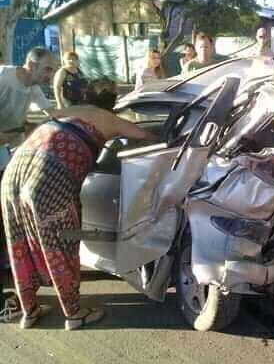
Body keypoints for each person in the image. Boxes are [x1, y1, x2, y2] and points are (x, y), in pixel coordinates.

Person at [1, 91, 158, 331]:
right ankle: (74, 314)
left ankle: (29, 311)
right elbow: (148, 137)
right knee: (60, 247)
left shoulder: (64, 113)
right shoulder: (108, 119)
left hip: (12, 174)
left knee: (19, 245)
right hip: (49, 178)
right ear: (110, 106)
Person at [0, 47, 56, 145]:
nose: (51, 75)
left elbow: (53, 113)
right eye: (47, 69)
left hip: (13, 141)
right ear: (31, 65)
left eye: (53, 71)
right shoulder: (3, 77)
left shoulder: (34, 87)